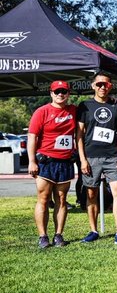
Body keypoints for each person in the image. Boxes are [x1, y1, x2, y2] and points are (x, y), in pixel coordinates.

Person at [76, 74, 117, 247]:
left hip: (113, 157)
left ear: (110, 86)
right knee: (91, 194)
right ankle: (93, 230)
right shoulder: (85, 106)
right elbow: (79, 135)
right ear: (93, 86)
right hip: (91, 157)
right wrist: (83, 160)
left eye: (105, 84)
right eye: (99, 84)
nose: (102, 87)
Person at [27, 80, 78, 250]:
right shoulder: (42, 112)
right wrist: (32, 160)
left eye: (63, 91)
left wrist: (113, 101)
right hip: (46, 162)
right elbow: (32, 137)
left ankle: (58, 234)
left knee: (62, 199)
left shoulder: (74, 111)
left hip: (65, 161)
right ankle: (43, 236)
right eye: (57, 92)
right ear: (51, 94)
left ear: (68, 93)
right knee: (43, 198)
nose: (60, 94)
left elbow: (92, 111)